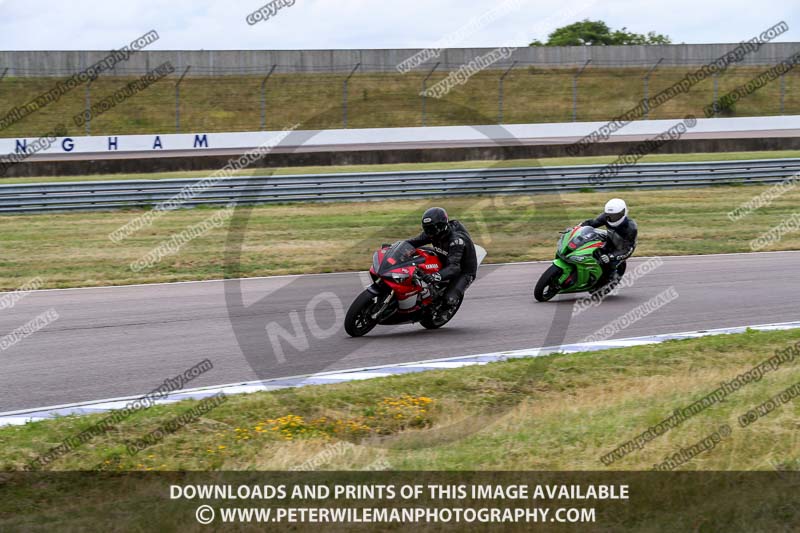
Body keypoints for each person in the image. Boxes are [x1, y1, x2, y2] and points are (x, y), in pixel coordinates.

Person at [406, 207, 478, 307]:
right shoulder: (432, 233)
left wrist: (434, 276)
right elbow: (413, 242)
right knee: (415, 255)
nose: (430, 232)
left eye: (432, 229)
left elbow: (454, 267)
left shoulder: (456, 241)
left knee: (448, 300)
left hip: (463, 270)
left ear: (442, 226)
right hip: (443, 255)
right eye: (427, 228)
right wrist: (394, 247)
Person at [580, 198, 638, 284]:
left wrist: (611, 256)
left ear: (624, 212)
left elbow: (627, 248)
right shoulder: (605, 217)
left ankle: (611, 278)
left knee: (609, 263)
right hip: (610, 238)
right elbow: (591, 223)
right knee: (591, 243)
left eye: (615, 216)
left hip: (623, 248)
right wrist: (576, 228)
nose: (612, 218)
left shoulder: (631, 227)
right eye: (610, 215)